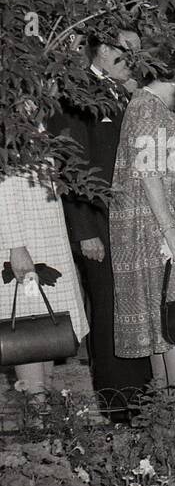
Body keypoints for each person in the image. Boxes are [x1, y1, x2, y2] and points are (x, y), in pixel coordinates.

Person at [59, 35, 152, 417]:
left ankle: (145, 395)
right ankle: (116, 401)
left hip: (133, 220)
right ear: (101, 49)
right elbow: (71, 163)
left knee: (134, 303)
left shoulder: (129, 92)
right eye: (123, 47)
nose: (132, 55)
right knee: (109, 308)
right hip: (99, 221)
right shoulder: (78, 93)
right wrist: (84, 230)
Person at [110, 39, 175, 387]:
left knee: (162, 322)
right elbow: (149, 176)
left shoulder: (151, 104)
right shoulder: (148, 108)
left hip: (151, 224)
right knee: (173, 318)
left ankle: (168, 421)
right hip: (153, 226)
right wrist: (172, 233)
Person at [1, 159, 88, 399]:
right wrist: (16, 247)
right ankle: (38, 413)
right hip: (25, 245)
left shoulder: (34, 124)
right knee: (28, 327)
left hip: (45, 239)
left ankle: (45, 403)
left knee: (48, 326)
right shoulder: (12, 126)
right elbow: (4, 190)